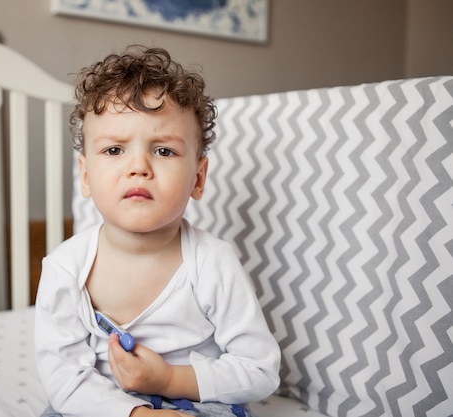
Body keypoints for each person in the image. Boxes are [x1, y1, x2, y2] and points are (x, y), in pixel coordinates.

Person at [34, 45, 280, 417]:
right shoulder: (65, 268)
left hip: (196, 399)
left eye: (163, 151)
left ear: (198, 179)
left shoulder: (212, 262)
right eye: (115, 150)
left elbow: (260, 370)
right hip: (102, 405)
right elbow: (64, 377)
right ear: (85, 176)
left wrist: (167, 381)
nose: (139, 167)